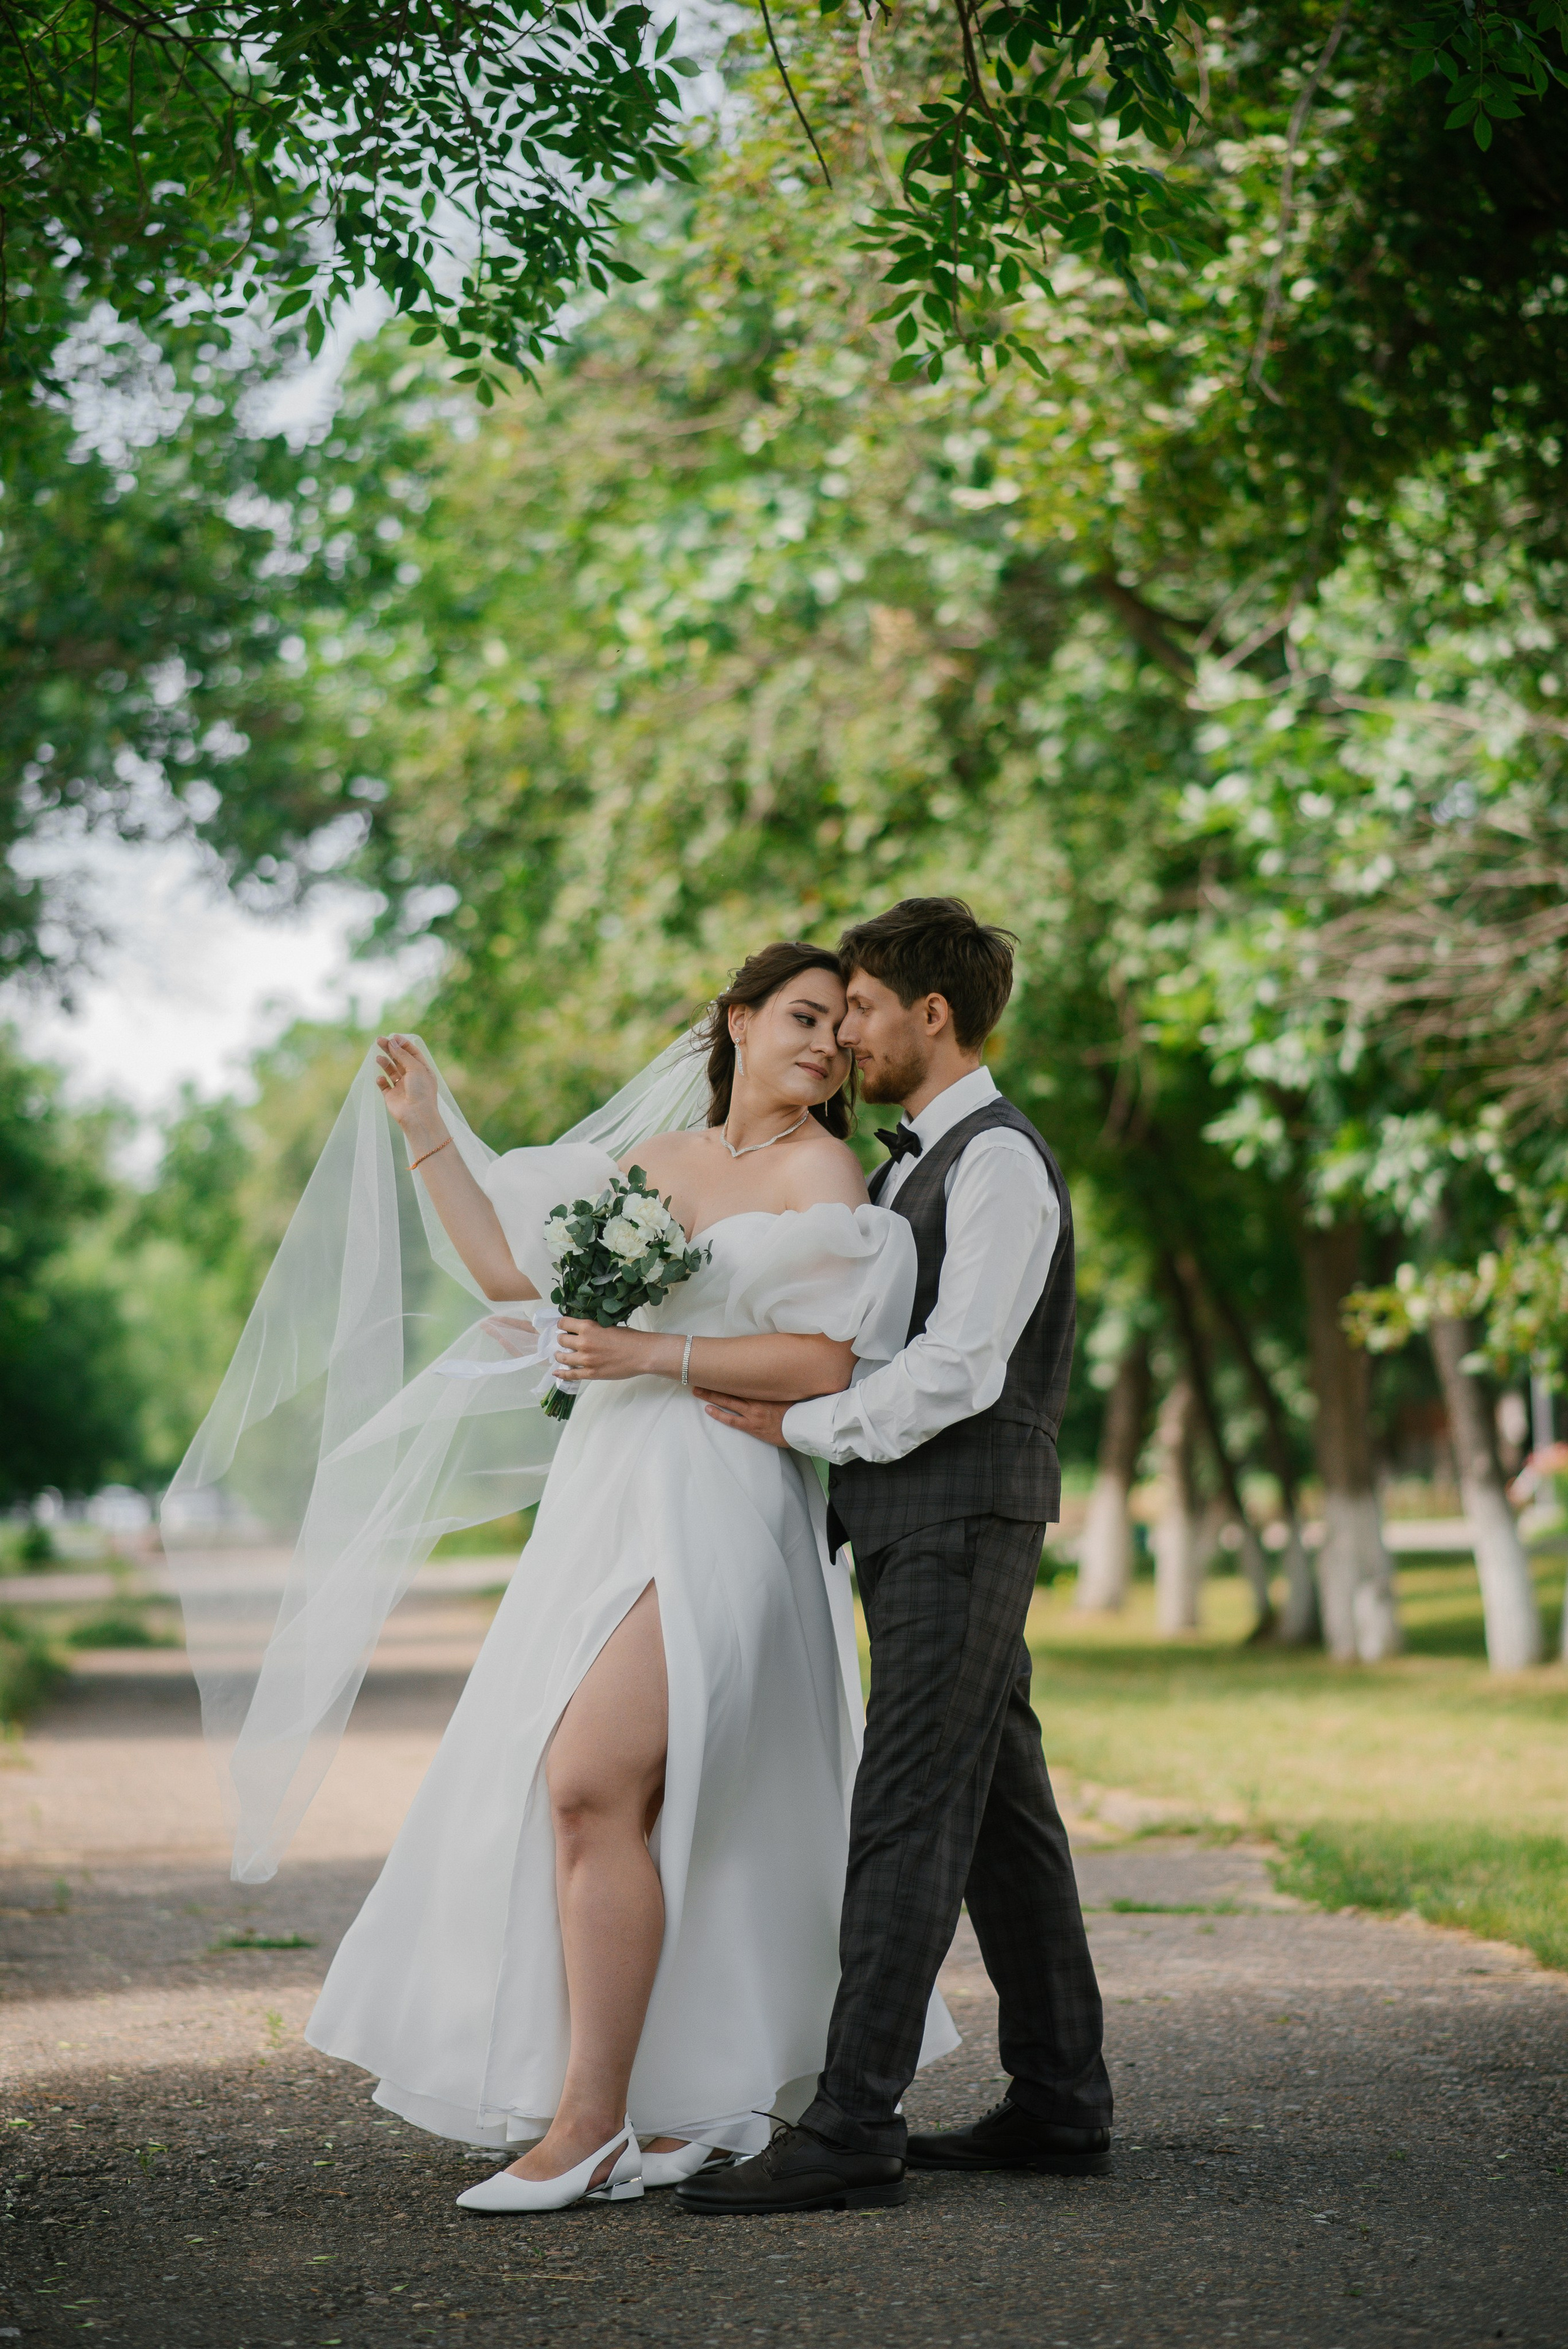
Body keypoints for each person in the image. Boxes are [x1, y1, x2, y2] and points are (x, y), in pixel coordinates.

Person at [292, 941, 958, 2212]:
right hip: (605, 1497)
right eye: (802, 1017)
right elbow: (512, 1279)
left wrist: (653, 1351)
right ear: (738, 1019)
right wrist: (432, 1132)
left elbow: (823, 1360)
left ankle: (585, 2124)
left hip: (718, 1498)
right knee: (629, 1803)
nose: (823, 1045)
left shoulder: (825, 1169)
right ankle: (662, 2109)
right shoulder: (651, 1167)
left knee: (589, 1778)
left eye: (839, 1027)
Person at [683, 897, 1112, 2216]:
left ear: (930, 1014)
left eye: (861, 1006)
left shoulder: (994, 1162)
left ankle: (851, 2121)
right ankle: (1056, 2100)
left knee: (908, 1805)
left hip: (962, 1513)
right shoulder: (916, 1157)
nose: (847, 1031)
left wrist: (805, 1423)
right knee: (998, 1816)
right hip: (918, 1519)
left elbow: (963, 1366)